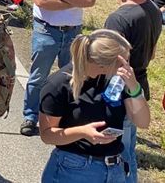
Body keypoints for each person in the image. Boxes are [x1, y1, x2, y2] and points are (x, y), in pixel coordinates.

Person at [38, 29, 149, 183]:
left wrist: (135, 87)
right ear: (104, 64)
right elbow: (47, 135)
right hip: (74, 169)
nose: (127, 66)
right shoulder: (58, 85)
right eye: (123, 61)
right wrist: (83, 132)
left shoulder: (117, 81)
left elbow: (143, 122)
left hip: (114, 168)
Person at [21, 0, 98, 137]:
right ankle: (30, 116)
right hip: (46, 31)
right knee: (38, 77)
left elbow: (90, 0)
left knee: (74, 76)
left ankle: (66, 116)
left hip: (73, 32)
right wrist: (75, 0)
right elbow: (41, 1)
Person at [102, 0, 161, 183]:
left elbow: (108, 62)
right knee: (129, 148)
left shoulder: (118, 19)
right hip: (139, 85)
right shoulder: (153, 8)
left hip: (120, 91)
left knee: (119, 151)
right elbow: (153, 52)